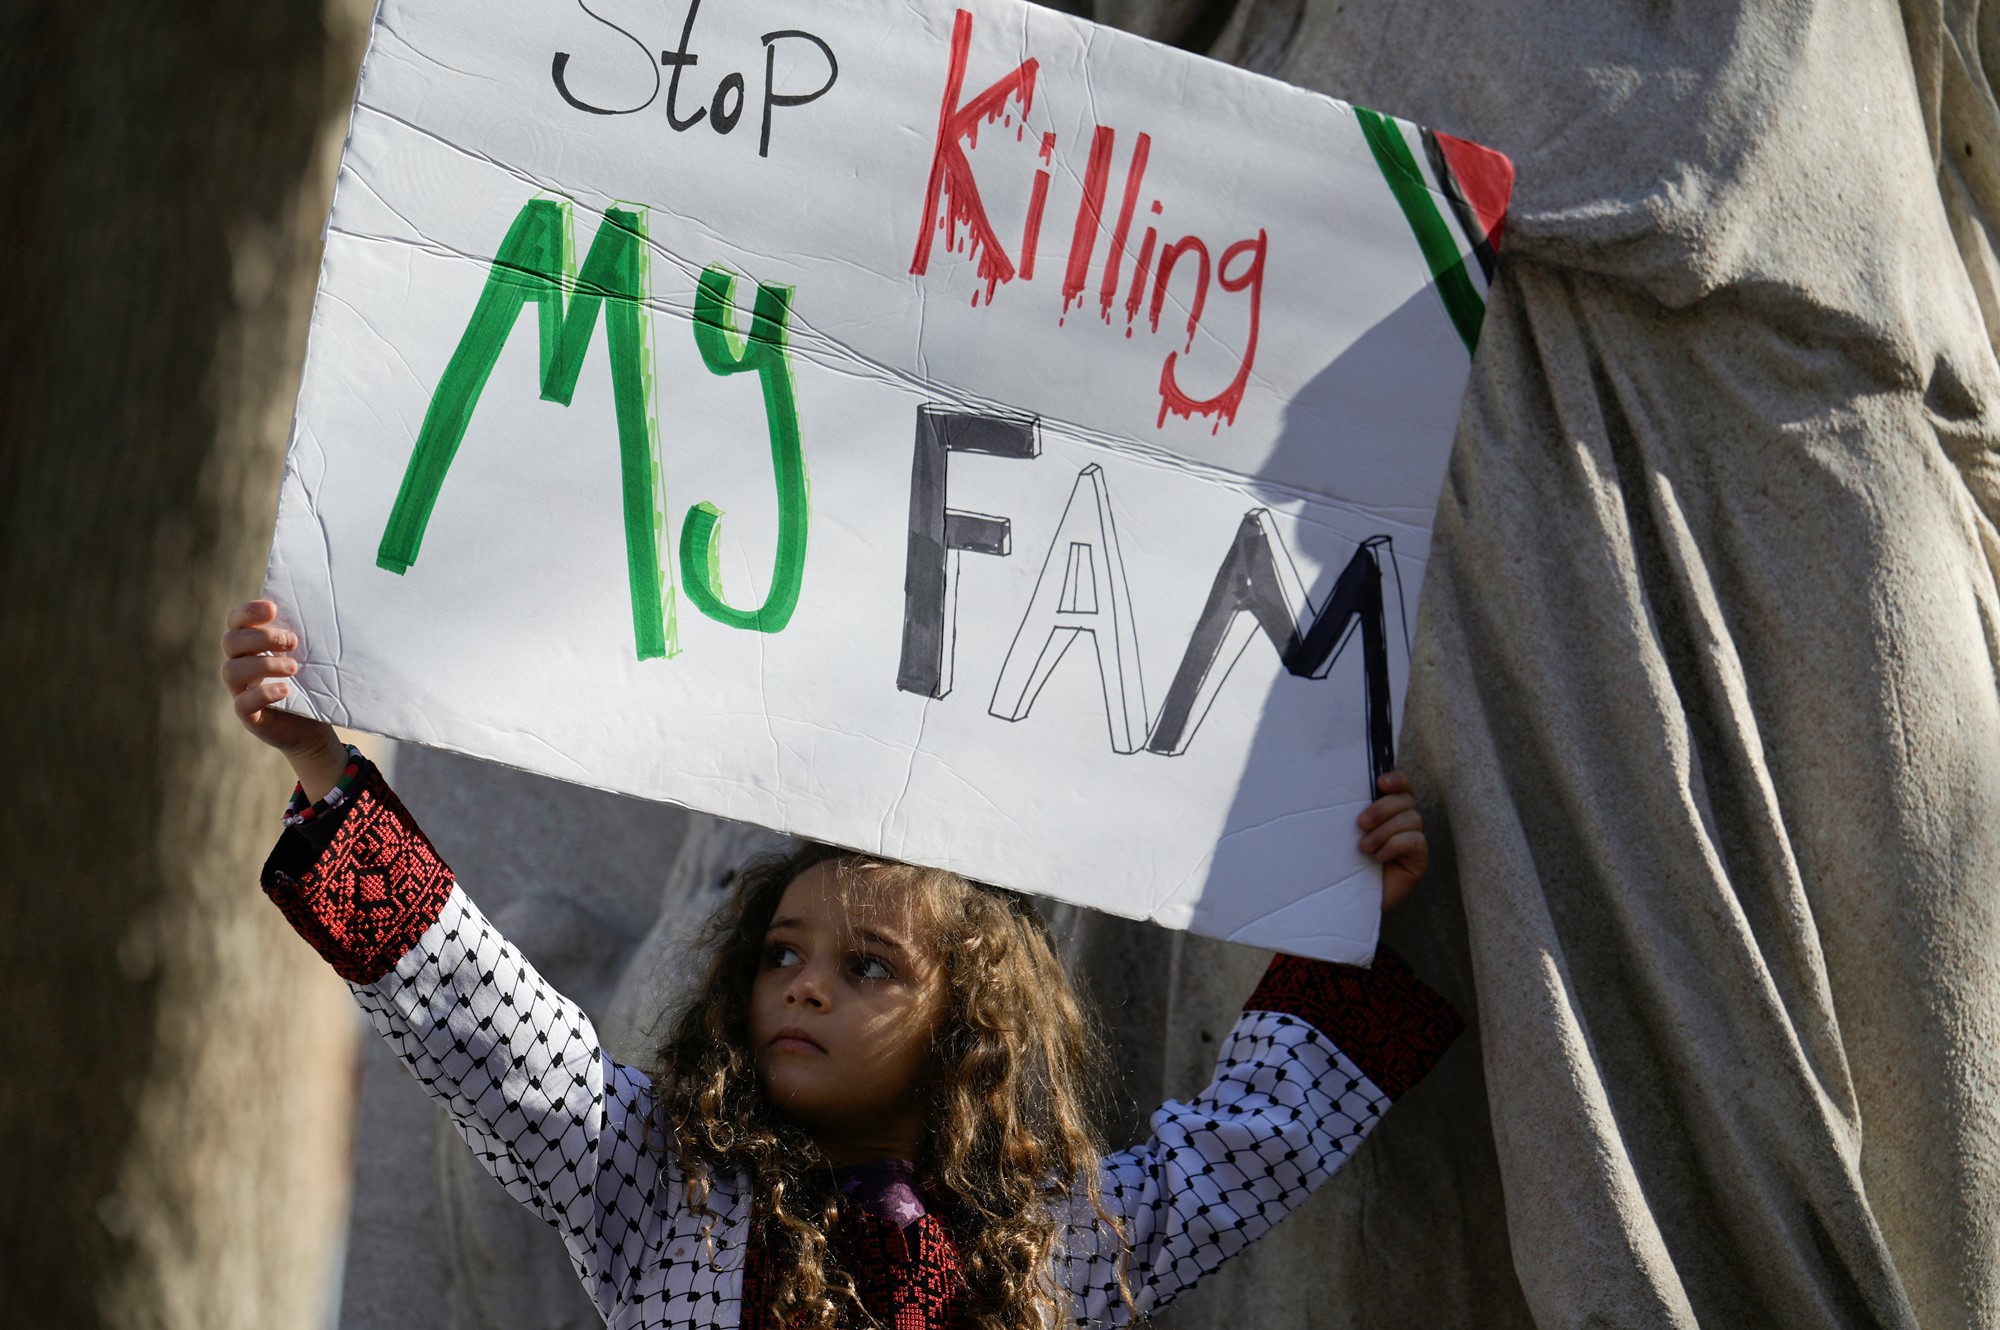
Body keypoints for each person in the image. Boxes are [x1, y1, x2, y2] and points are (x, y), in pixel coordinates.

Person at [221, 598, 1461, 1330]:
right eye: (779, 953)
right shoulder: (656, 1197)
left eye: (868, 966)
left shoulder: (1055, 1249)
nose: (802, 983)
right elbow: (490, 1033)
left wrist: (1347, 904)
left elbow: (1246, 1148)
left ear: (968, 1031)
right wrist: (325, 769)